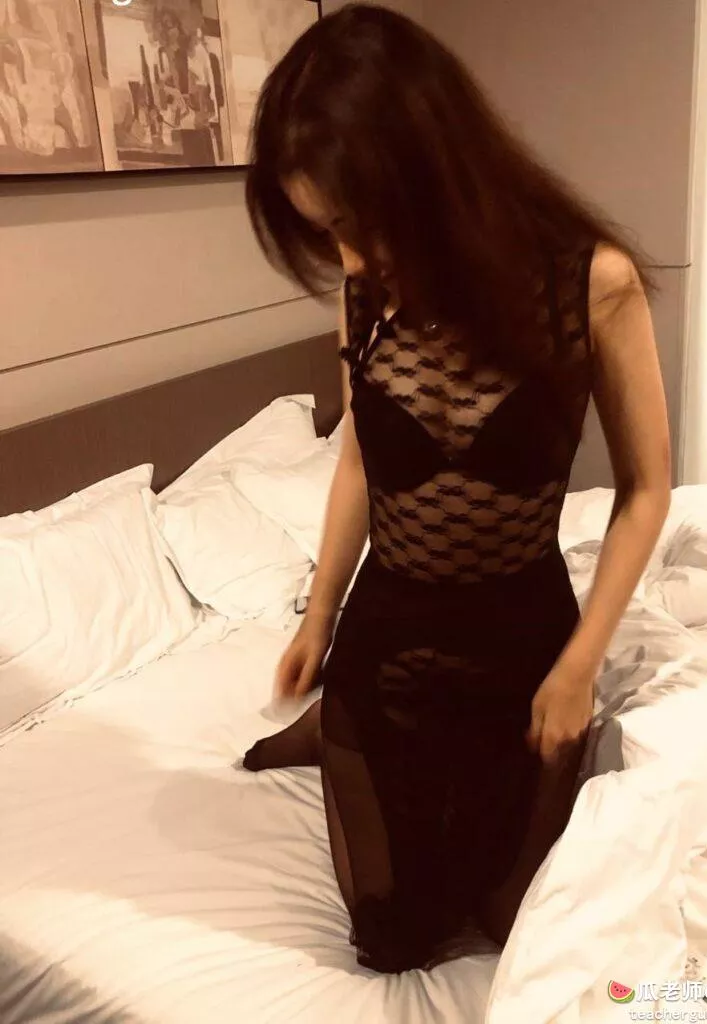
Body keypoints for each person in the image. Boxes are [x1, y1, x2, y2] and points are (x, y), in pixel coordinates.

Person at [242, 4, 671, 974]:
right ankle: (331, 724)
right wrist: (318, 617)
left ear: (436, 177)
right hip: (384, 646)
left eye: (358, 226)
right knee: (392, 940)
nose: (351, 260)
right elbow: (361, 458)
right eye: (329, 233)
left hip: (525, 646)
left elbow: (646, 488)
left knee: (514, 921)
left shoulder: (590, 283)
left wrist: (581, 665)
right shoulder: (366, 293)